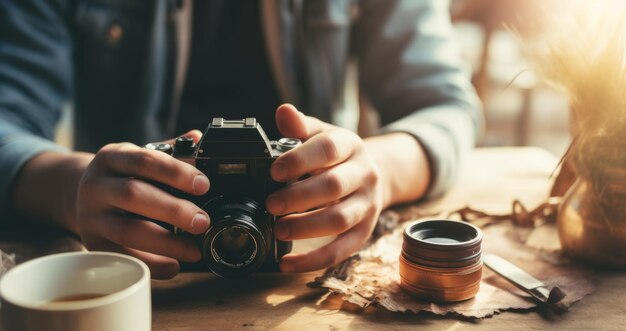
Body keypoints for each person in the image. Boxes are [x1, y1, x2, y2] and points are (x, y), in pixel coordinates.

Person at [0, 0, 481, 279]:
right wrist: (78, 188)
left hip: (309, 256)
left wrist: (369, 170)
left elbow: (445, 107)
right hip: (130, 269)